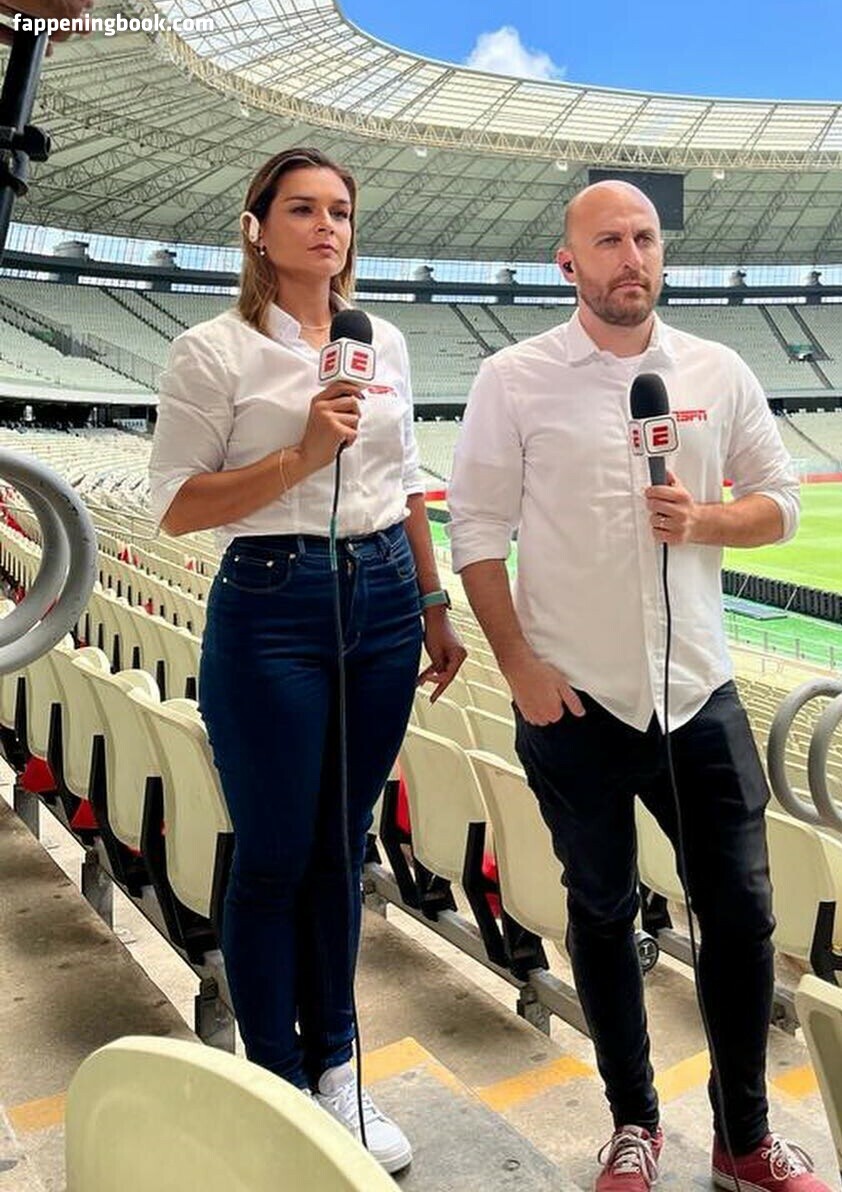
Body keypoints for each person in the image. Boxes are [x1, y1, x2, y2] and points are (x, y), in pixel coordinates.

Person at [448, 180, 829, 1192]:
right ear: (567, 262)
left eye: (646, 238)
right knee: (603, 913)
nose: (632, 256)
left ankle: (744, 1139)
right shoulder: (514, 378)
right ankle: (632, 1124)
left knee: (741, 917)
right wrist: (520, 669)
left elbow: (781, 502)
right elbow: (475, 533)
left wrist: (706, 521)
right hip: (573, 699)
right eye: (609, 240)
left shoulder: (715, 367)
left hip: (699, 694)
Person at [148, 146, 465, 1174]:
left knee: (341, 844)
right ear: (257, 228)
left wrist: (432, 603)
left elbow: (406, 481)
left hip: (384, 594)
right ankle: (277, 1077)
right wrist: (300, 456)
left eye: (340, 210)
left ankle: (337, 1067)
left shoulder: (383, 341)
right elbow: (176, 503)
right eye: (302, 209)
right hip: (273, 598)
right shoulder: (212, 351)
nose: (327, 227)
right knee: (276, 851)